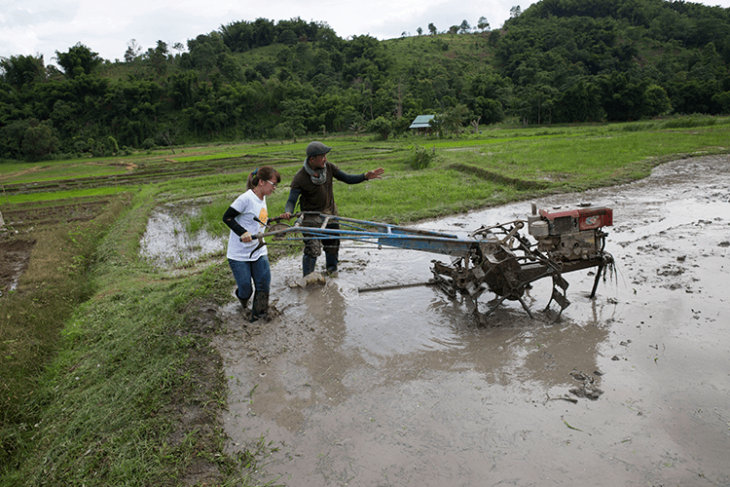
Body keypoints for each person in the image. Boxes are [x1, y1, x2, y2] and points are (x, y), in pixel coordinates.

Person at [284, 141, 384, 276]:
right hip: (310, 217)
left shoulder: (329, 167)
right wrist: (288, 212)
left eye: (326, 156)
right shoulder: (300, 177)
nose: (325, 159)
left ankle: (332, 272)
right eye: (322, 156)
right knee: (312, 248)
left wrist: (365, 176)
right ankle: (308, 278)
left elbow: (347, 178)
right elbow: (291, 200)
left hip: (330, 214)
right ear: (312, 159)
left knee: (332, 246)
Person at [223, 166, 289, 322]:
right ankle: (243, 301)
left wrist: (275, 220)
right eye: (273, 184)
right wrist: (242, 232)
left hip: (258, 250)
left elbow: (259, 220)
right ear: (261, 182)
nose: (274, 188)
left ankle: (259, 317)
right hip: (239, 254)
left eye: (276, 185)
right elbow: (227, 217)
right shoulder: (245, 198)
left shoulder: (262, 197)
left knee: (263, 284)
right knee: (246, 290)